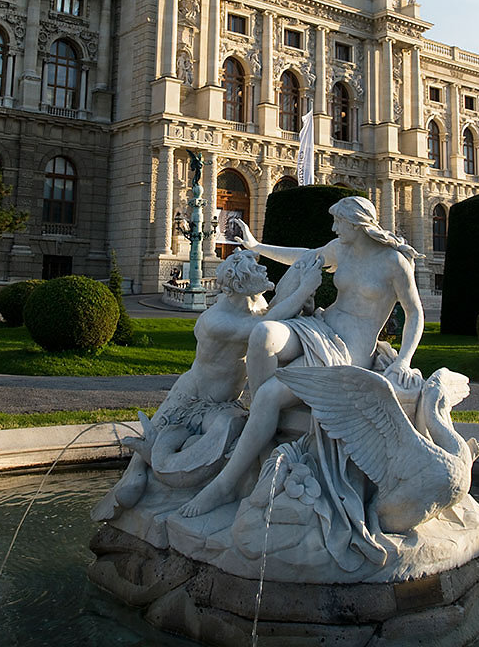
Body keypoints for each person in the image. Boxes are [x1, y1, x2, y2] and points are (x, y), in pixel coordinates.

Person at [181, 195, 425, 518]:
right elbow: (303, 258)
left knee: (269, 394)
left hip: (347, 350)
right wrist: (256, 247)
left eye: (339, 222)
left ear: (357, 224)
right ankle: (262, 427)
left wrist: (404, 359)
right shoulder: (342, 250)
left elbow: (415, 314)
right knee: (263, 333)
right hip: (320, 326)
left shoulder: (394, 263)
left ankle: (227, 482)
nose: (334, 228)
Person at [91, 248, 322, 520]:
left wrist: (303, 300)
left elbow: (275, 314)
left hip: (223, 404)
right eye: (256, 270)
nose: (264, 271)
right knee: (153, 435)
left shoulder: (256, 303)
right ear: (239, 284)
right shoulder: (216, 321)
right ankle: (135, 476)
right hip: (189, 395)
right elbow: (265, 326)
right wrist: (304, 287)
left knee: (220, 434)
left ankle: (219, 485)